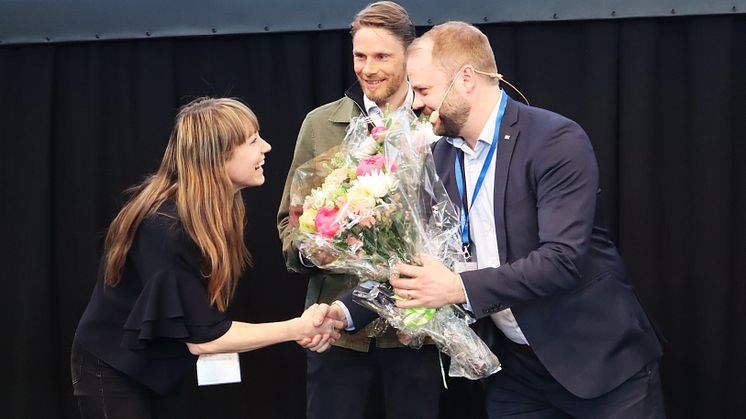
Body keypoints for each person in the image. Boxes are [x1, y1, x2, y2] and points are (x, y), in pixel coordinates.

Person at [335, 22, 667, 418]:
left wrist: (458, 287)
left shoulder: (554, 139)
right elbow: (416, 259)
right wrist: (344, 312)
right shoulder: (440, 157)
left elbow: (562, 261)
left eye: (423, 91)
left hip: (597, 363)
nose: (416, 104)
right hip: (515, 372)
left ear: (466, 79)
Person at [71, 97, 342, 419]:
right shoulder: (167, 230)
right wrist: (298, 327)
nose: (266, 148)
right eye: (253, 140)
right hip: (115, 372)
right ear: (218, 155)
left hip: (159, 371)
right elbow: (206, 339)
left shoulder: (207, 214)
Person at [276, 2, 442, 418]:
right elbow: (289, 223)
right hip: (335, 332)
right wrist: (309, 250)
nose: (368, 68)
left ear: (410, 56)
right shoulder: (320, 124)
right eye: (360, 56)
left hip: (415, 330)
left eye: (382, 56)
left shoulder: (436, 124)